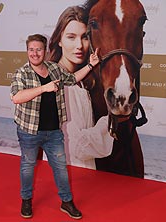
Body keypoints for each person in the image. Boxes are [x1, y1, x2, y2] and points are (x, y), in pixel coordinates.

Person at [10, 33, 99, 219]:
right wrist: (44, 88)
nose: (34, 53)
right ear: (27, 51)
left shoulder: (54, 68)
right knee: (27, 166)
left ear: (46, 51)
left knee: (60, 168)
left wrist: (91, 65)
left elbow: (73, 79)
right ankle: (26, 200)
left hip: (54, 132)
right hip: (29, 131)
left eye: (38, 49)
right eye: (31, 49)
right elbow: (16, 97)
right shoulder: (22, 73)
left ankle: (66, 202)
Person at [49, 6, 114, 169]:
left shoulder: (81, 83)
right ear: (59, 40)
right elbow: (78, 145)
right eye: (71, 37)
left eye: (85, 37)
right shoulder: (57, 84)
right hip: (69, 175)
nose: (79, 45)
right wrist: (112, 121)